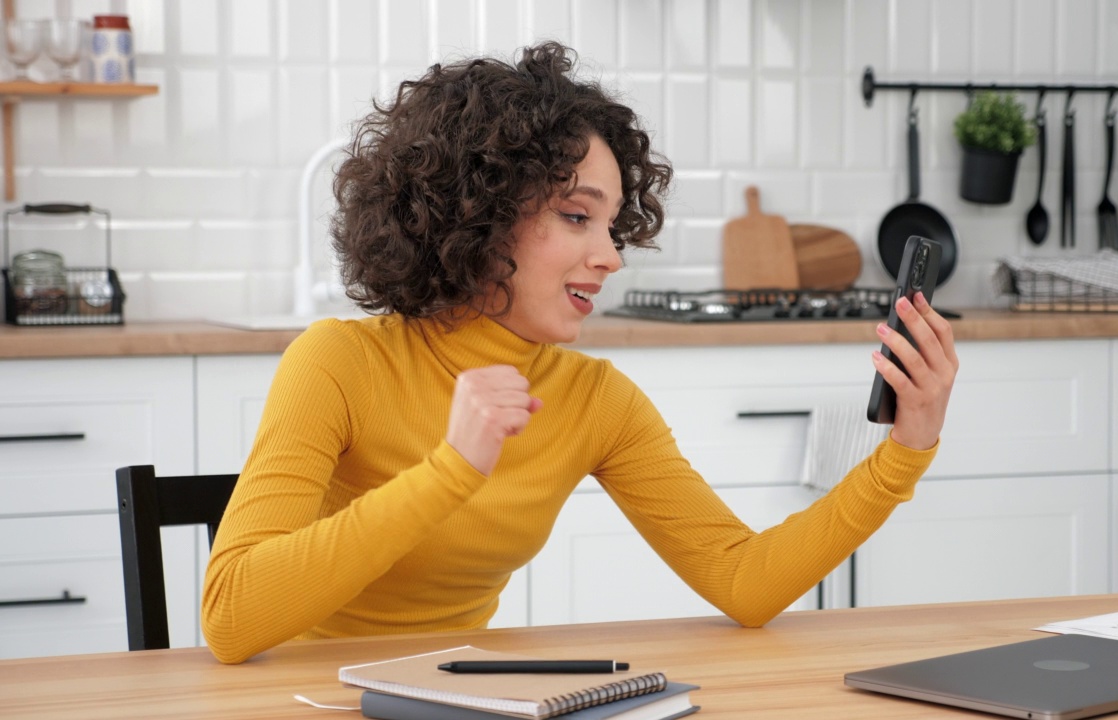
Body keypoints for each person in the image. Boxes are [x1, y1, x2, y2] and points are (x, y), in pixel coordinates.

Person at [201, 41, 959, 665]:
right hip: (304, 700)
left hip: (464, 696)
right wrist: (450, 471)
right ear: (477, 213)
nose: (610, 257)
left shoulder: (595, 399)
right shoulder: (337, 362)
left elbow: (743, 580)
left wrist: (906, 450)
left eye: (613, 227)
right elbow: (231, 618)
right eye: (575, 217)